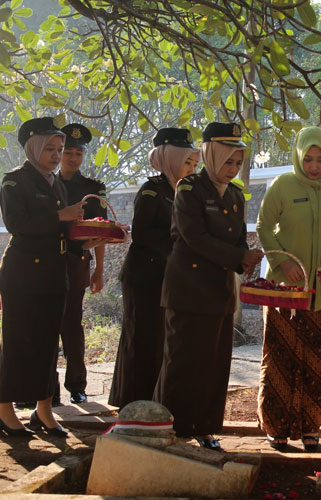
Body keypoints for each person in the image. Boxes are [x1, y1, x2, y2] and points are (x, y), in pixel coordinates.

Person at [154, 122, 263, 451]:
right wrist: (239, 255)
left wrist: (246, 261)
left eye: (238, 163)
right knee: (182, 363)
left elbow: (238, 240)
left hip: (219, 291)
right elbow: (195, 237)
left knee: (214, 365)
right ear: (210, 155)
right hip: (188, 289)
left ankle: (204, 427)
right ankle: (170, 428)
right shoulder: (188, 188)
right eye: (228, 161)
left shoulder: (234, 195)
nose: (232, 169)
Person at [256, 126, 321, 452]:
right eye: (308, 158)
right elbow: (263, 227)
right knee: (280, 358)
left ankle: (310, 427)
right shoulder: (282, 185)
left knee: (317, 360)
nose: (314, 166)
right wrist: (283, 264)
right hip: (284, 291)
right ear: (299, 156)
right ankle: (276, 427)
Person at [0, 117, 88, 437]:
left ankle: (44, 410)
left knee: (48, 344)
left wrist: (85, 237)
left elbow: (61, 228)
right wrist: (59, 216)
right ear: (33, 147)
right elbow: (17, 224)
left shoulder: (57, 183)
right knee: (18, 341)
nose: (56, 154)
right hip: (23, 272)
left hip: (54, 270)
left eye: (59, 148)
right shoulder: (14, 181)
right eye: (50, 148)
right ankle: (5, 410)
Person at [109, 128, 200, 409]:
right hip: (145, 277)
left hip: (168, 275)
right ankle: (132, 402)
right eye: (187, 163)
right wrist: (178, 247)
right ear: (170, 160)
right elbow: (143, 233)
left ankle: (155, 400)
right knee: (142, 339)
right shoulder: (152, 190)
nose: (192, 169)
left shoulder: (185, 192)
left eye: (195, 164)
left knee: (162, 340)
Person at [56, 123, 107, 405]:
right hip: (47, 261)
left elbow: (100, 230)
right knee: (47, 323)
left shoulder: (92, 189)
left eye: (78, 153)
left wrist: (99, 270)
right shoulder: (46, 184)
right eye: (67, 152)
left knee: (72, 323)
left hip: (77, 261)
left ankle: (77, 385)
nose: (72, 158)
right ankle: (46, 390)